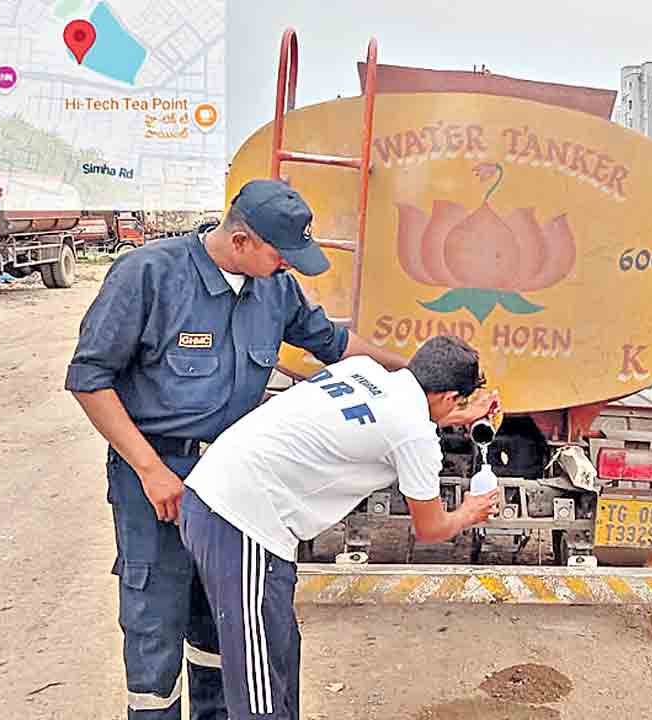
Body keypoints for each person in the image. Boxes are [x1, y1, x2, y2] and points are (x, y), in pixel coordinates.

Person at [65, 179, 407, 719]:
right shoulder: (149, 275)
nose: (288, 266)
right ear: (242, 240)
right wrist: (152, 471)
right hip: (158, 477)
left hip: (234, 484)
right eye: (281, 254)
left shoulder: (275, 289)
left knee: (221, 628)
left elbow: (335, 346)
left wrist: (415, 377)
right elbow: (89, 378)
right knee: (155, 628)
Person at [178, 335, 501, 719]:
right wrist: (470, 511)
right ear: (448, 396)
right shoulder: (414, 433)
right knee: (261, 685)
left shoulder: (363, 371)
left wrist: (454, 415)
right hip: (243, 522)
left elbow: (387, 420)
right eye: (461, 402)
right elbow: (431, 527)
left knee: (237, 657)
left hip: (207, 495)